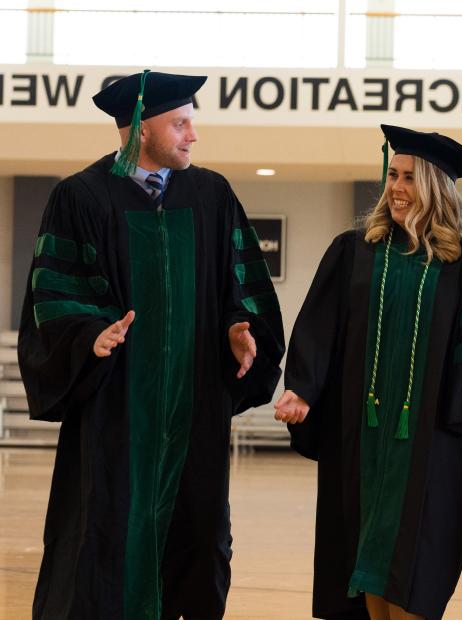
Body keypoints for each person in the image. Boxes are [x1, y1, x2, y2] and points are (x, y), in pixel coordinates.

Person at [21, 70, 285, 619]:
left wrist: (240, 327)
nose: (194, 135)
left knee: (199, 537)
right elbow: (56, 293)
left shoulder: (211, 194)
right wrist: (90, 335)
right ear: (142, 127)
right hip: (116, 413)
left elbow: (241, 285)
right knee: (106, 531)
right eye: (181, 123)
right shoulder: (80, 197)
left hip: (194, 412)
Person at [276, 124, 462, 619]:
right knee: (365, 555)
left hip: (433, 438)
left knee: (422, 564)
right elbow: (317, 329)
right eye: (392, 175)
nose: (396, 188)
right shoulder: (353, 250)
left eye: (410, 178)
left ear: (437, 188)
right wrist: (302, 390)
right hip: (361, 436)